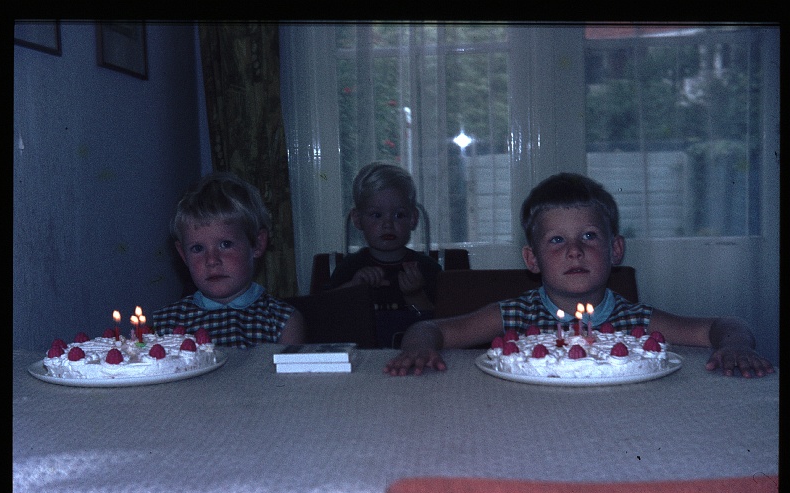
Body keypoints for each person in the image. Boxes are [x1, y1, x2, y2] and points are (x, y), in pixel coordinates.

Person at [384, 172, 774, 378]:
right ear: (531, 259)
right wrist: (419, 347)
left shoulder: (633, 321)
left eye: (589, 236)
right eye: (556, 240)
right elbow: (432, 329)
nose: (574, 250)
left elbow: (723, 325)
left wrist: (734, 346)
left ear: (615, 250)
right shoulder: (512, 316)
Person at [153, 172, 305, 347]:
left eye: (225, 244)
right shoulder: (167, 324)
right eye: (197, 248)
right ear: (183, 254)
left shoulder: (283, 321)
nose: (211, 260)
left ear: (257, 243)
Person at [327, 162, 442, 347]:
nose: (388, 224)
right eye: (376, 215)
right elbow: (325, 319)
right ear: (357, 219)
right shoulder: (348, 268)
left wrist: (415, 295)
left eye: (399, 215)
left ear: (413, 218)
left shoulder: (428, 268)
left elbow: (444, 326)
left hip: (415, 360)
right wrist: (353, 288)